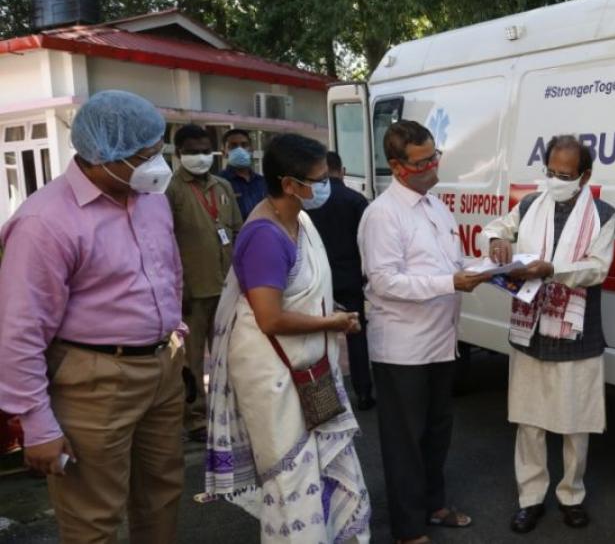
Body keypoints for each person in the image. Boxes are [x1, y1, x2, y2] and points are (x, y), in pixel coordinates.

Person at [0, 90, 187, 543]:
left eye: (158, 151)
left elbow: (168, 272)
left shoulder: (151, 199)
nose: (157, 165)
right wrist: (37, 424)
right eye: (145, 156)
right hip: (93, 382)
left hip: (160, 369)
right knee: (93, 518)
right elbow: (20, 331)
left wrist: (176, 333)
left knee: (162, 497)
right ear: (104, 155)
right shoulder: (46, 222)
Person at [205, 133, 371, 543]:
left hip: (307, 368)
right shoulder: (265, 235)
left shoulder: (301, 221)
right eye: (318, 179)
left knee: (321, 471)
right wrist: (332, 323)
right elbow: (270, 318)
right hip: (273, 373)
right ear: (290, 184)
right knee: (292, 483)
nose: (325, 185)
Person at [358, 120, 490, 544]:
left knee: (437, 433)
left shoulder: (436, 206)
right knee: (404, 444)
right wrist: (449, 284)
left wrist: (486, 267)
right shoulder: (382, 214)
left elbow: (450, 263)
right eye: (423, 161)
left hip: (441, 342)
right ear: (397, 166)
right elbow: (384, 282)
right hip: (403, 349)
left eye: (435, 155)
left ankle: (434, 505)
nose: (434, 165)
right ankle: (407, 528)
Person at [481, 135, 615, 534]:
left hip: (577, 330)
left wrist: (551, 270)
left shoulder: (604, 215)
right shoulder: (529, 205)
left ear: (585, 175)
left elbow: (597, 268)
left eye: (565, 174)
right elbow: (495, 228)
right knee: (529, 420)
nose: (556, 180)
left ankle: (571, 494)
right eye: (551, 172)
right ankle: (530, 498)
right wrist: (496, 242)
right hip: (530, 326)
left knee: (577, 421)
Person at [165, 124, 243, 440]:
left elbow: (236, 231)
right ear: (179, 153)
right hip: (192, 291)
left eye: (204, 150)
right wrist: (176, 288)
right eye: (192, 151)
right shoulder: (170, 191)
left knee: (230, 355)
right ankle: (195, 418)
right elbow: (165, 243)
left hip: (226, 287)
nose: (200, 157)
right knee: (191, 360)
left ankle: (227, 411)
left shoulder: (222, 186)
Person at [307, 151, 374, 410]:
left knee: (319, 339)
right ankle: (364, 392)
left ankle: (323, 397)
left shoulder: (309, 202)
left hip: (319, 279)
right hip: (351, 277)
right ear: (342, 170)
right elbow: (368, 244)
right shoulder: (356, 200)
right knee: (357, 337)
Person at [220, 128, 267, 219]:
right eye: (233, 146)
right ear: (224, 152)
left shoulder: (262, 182)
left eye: (244, 145)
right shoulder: (219, 183)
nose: (239, 149)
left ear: (251, 150)